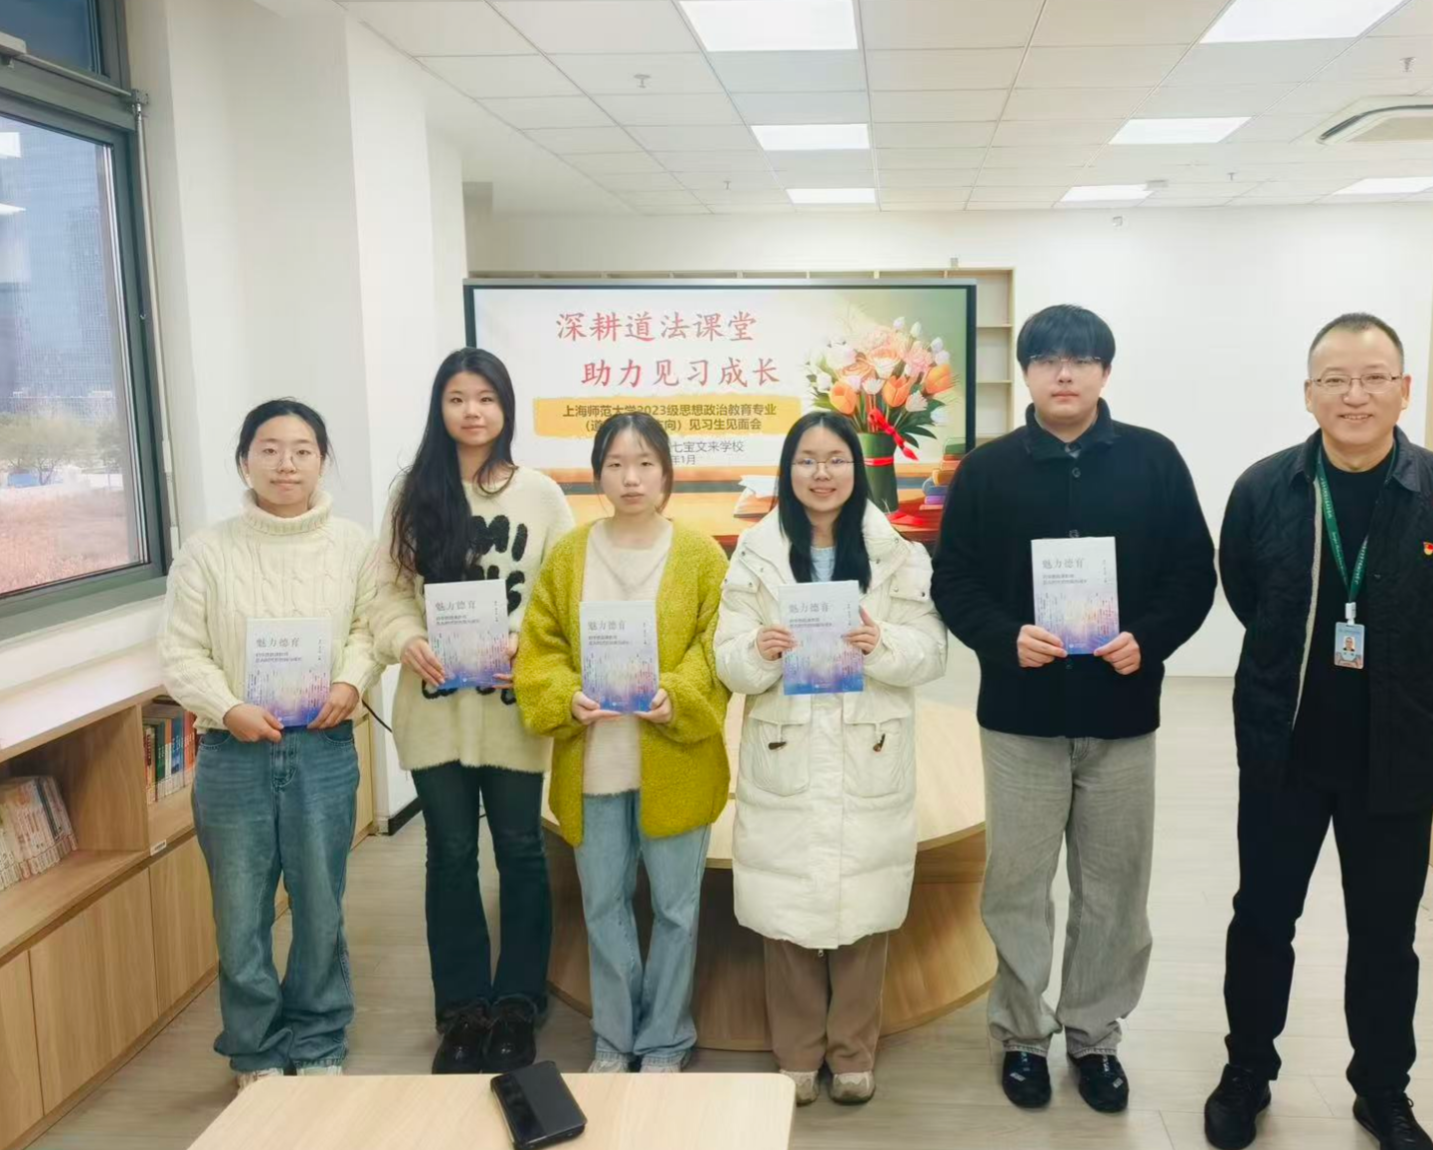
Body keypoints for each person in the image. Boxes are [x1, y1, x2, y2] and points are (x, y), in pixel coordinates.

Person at [1203, 313, 1433, 1150]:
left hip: (1398, 755)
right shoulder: (1263, 489)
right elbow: (1245, 592)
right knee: (1261, 919)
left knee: (1384, 934)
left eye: (1373, 377)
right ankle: (1246, 1071)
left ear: (1404, 390)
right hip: (1285, 750)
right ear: (1308, 394)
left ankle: (1381, 1088)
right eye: (1334, 379)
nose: (1354, 395)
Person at [931, 304, 1217, 1114]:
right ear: (1026, 372)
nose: (1064, 373)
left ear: (1104, 371)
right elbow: (953, 579)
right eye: (1048, 359)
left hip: (1120, 714)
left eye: (1081, 359)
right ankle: (1022, 1034)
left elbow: (1193, 572)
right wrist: (1002, 636)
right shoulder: (985, 470)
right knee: (1017, 883)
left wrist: (1147, 639)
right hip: (1019, 715)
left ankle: (1094, 1036)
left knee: (1114, 887)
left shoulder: (1154, 460)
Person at [715, 411, 949, 1108]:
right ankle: (795, 1054)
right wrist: (759, 648)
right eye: (807, 460)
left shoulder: (897, 553)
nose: (822, 474)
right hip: (785, 740)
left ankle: (852, 1052)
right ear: (788, 470)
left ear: (857, 468)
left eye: (836, 459)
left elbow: (932, 652)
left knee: (862, 902)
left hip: (865, 742)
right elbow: (726, 658)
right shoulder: (756, 553)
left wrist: (881, 643)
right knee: (786, 904)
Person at [159, 399, 380, 1089]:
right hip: (234, 754)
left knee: (320, 904)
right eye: (270, 449)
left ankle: (318, 1036)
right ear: (244, 461)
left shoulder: (354, 545)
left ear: (322, 460)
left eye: (302, 450)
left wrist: (349, 681)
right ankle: (255, 1048)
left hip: (322, 746)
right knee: (239, 912)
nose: (287, 463)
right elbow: (180, 653)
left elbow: (370, 628)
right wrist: (229, 707)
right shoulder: (206, 551)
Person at [370, 348, 574, 1074]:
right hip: (434, 707)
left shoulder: (541, 495)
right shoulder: (414, 493)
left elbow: (561, 594)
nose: (472, 411)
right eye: (458, 398)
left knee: (520, 850)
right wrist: (408, 639)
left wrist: (529, 640)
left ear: (505, 408)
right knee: (450, 855)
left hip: (512, 706)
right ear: (441, 408)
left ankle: (517, 1003)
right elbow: (386, 594)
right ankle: (460, 1010)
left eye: (486, 398)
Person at [516, 412, 730, 1075]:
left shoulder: (700, 555)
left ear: (666, 472)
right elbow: (541, 647)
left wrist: (678, 693)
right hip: (595, 762)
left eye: (644, 463)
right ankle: (614, 1034)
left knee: (675, 908)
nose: (630, 477)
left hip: (676, 758)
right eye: (615, 463)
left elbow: (714, 647)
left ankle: (665, 1037)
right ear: (597, 474)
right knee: (602, 904)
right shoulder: (570, 554)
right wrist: (564, 696)